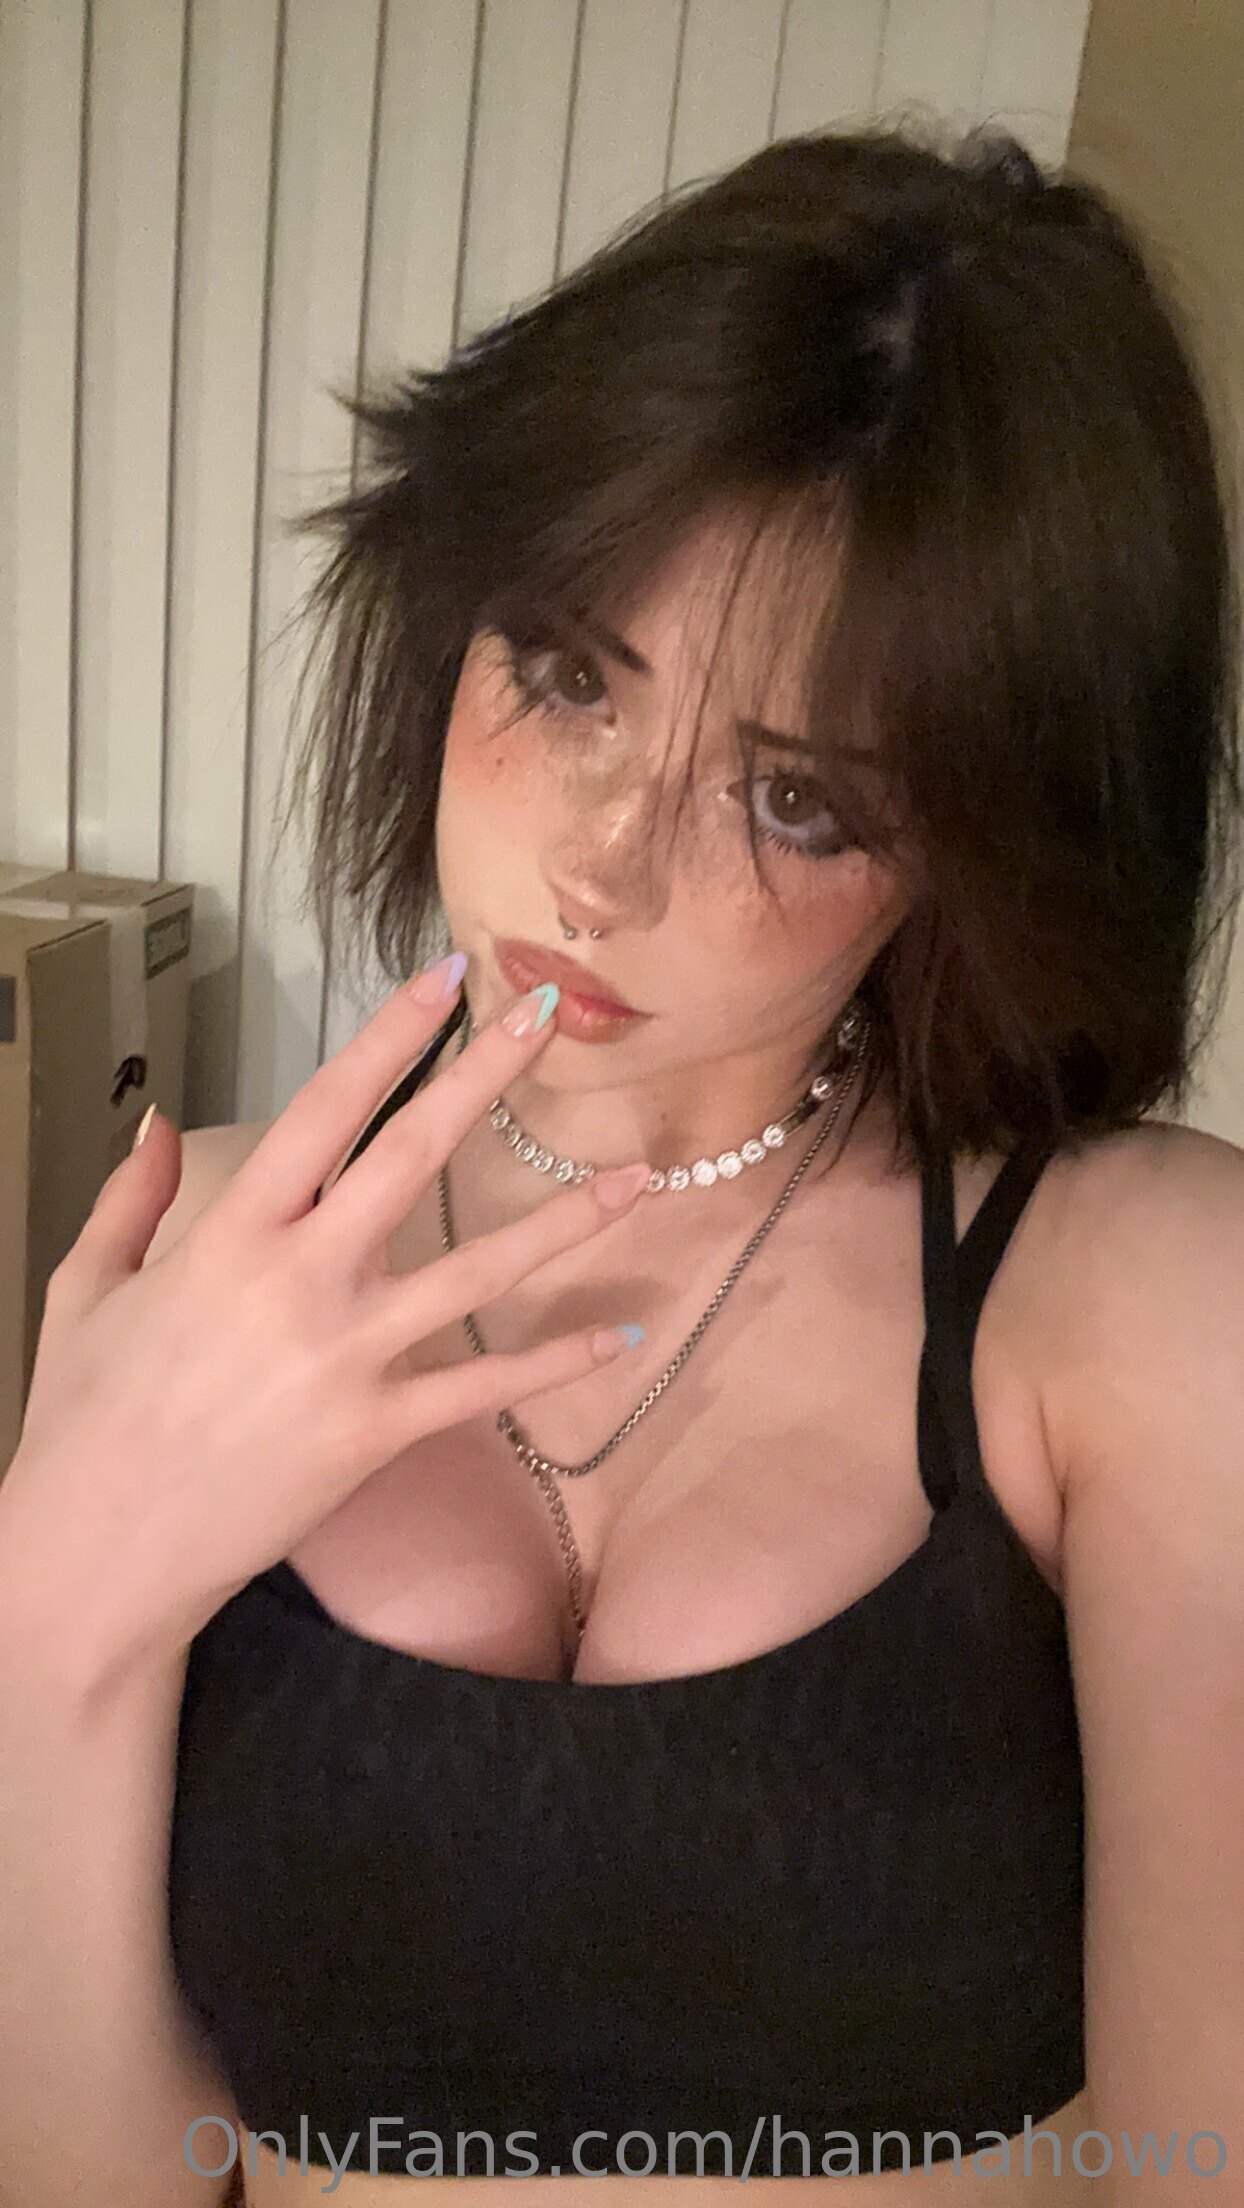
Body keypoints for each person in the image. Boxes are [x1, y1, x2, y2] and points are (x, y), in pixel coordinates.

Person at [1, 118, 1242, 2208]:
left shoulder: (1141, 1305)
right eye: (569, 674)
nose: (603, 860)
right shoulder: (205, 1247)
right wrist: (52, 1597)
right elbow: (89, 2176)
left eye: (796, 798)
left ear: (981, 847)